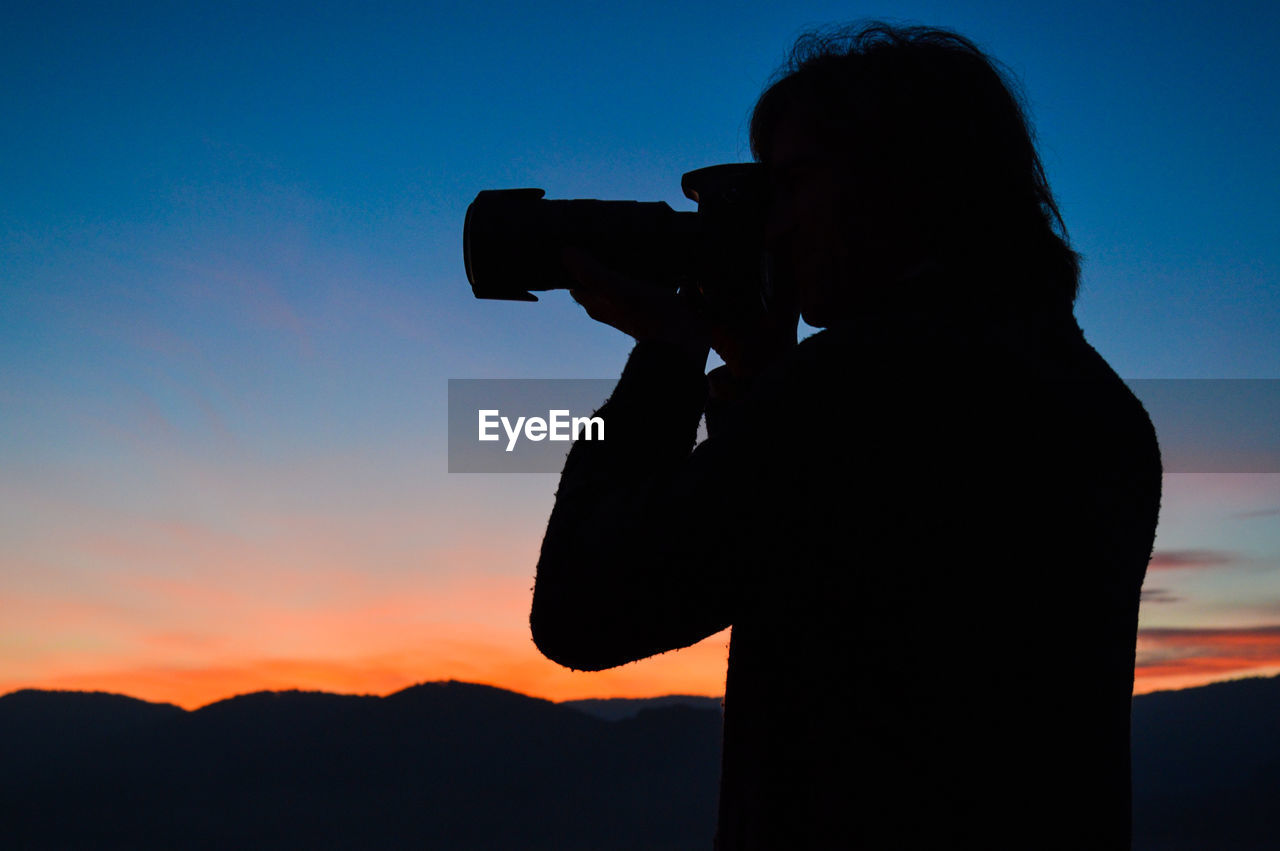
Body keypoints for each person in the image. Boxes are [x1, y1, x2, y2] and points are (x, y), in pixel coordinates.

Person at [530, 22, 1162, 850]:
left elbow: (584, 608)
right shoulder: (1090, 397)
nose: (773, 227)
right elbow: (857, 583)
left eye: (792, 185)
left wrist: (668, 350)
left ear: (903, 179)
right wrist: (764, 373)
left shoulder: (867, 386)